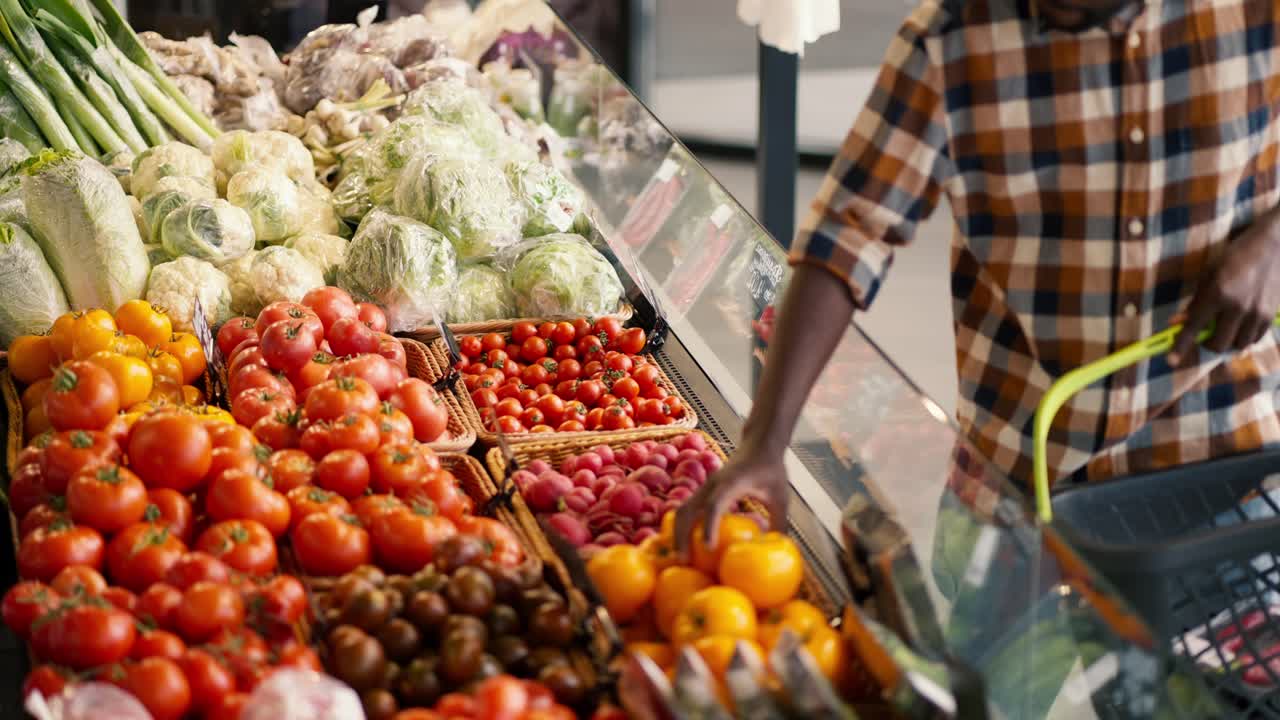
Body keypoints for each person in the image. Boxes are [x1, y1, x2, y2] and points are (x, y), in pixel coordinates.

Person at [675, 0, 1280, 551]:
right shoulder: (952, 36)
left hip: (1221, 477)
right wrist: (765, 441)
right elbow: (847, 235)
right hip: (1020, 494)